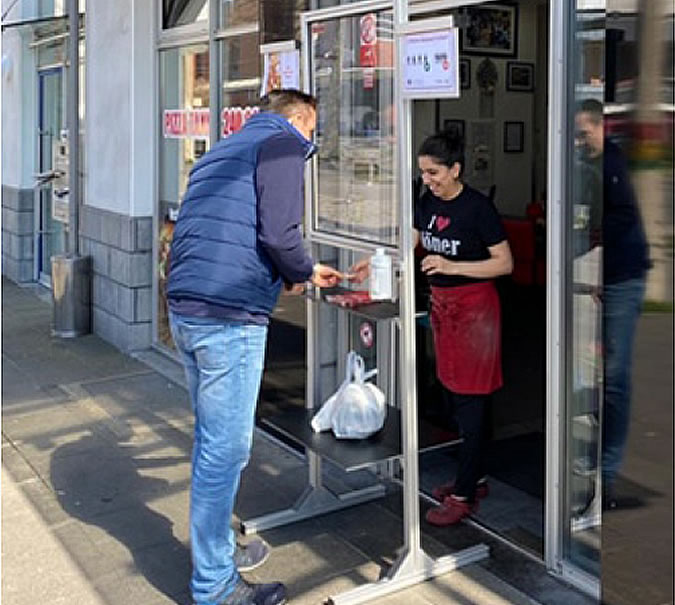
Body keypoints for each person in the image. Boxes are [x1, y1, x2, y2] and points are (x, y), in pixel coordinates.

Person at [167, 89, 343, 605]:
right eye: (312, 131)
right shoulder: (284, 143)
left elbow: (230, 230)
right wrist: (304, 268)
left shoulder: (221, 151)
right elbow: (280, 233)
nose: (309, 142)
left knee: (210, 442)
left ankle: (218, 549)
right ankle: (216, 586)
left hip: (186, 306)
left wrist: (293, 274)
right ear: (301, 119)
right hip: (228, 316)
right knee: (225, 452)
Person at [350, 131, 513, 526]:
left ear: (456, 169)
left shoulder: (478, 209)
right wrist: (377, 262)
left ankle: (464, 494)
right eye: (423, 172)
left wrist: (452, 266)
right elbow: (414, 242)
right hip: (444, 309)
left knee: (471, 401)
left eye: (435, 172)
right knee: (454, 396)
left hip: (476, 313)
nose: (428, 180)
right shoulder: (427, 203)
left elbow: (503, 263)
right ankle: (474, 478)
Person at [575, 99, 651, 508]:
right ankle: (597, 456)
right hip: (612, 276)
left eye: (583, 131)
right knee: (601, 373)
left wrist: (589, 239)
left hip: (625, 278)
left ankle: (607, 475)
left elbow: (619, 220)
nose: (579, 139)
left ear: (600, 128)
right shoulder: (592, 164)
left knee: (616, 378)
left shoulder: (614, 163)